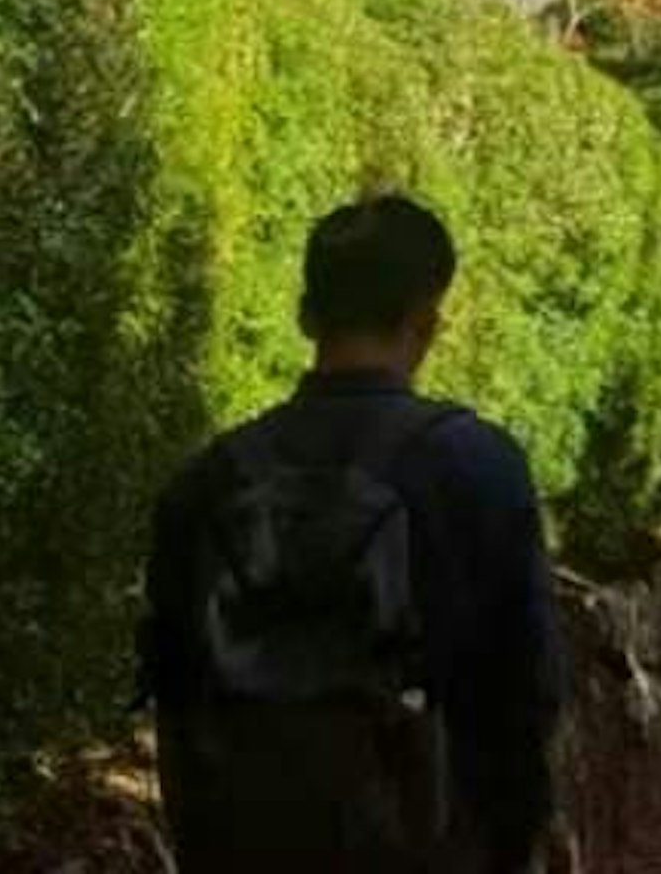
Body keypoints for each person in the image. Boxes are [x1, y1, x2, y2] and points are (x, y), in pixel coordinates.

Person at [141, 193, 564, 874]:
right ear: (426, 320)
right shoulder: (477, 465)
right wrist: (520, 836)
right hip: (434, 845)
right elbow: (526, 688)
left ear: (306, 313)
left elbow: (177, 699)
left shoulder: (207, 483)